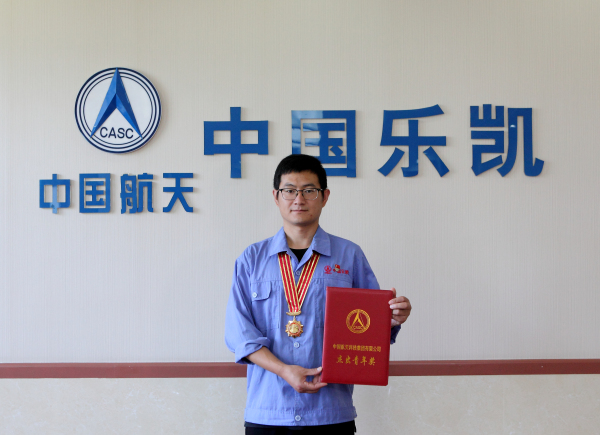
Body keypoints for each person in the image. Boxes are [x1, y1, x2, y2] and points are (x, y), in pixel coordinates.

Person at [225, 154, 412, 434]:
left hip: (330, 412)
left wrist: (392, 319)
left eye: (309, 190)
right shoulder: (251, 259)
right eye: (290, 190)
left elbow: (367, 326)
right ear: (276, 197)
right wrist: (284, 370)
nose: (298, 199)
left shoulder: (349, 255)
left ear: (324, 197)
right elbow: (239, 333)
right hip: (268, 411)